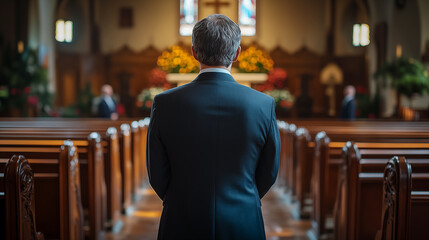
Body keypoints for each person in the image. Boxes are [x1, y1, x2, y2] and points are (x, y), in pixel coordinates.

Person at [147, 14, 280, 240]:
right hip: (243, 219)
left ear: (193, 52)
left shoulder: (164, 103)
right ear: (237, 53)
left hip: (182, 218)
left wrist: (181, 199)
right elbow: (269, 170)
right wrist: (244, 197)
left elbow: (156, 172)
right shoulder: (263, 104)